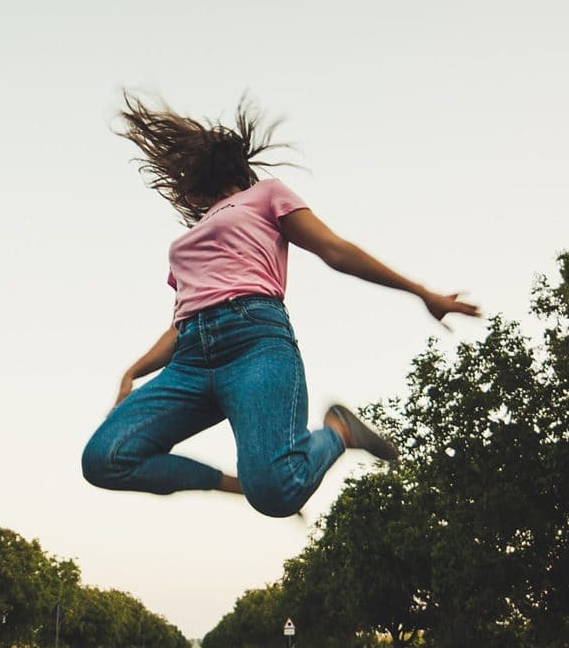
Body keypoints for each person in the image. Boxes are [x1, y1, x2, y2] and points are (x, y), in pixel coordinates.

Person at [81, 93, 480, 518]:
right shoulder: (185, 245)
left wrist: (422, 292)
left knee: (275, 493)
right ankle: (232, 485)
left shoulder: (266, 195)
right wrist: (133, 372)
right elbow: (180, 323)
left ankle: (339, 431)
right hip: (191, 360)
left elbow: (334, 249)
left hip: (255, 344)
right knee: (104, 459)